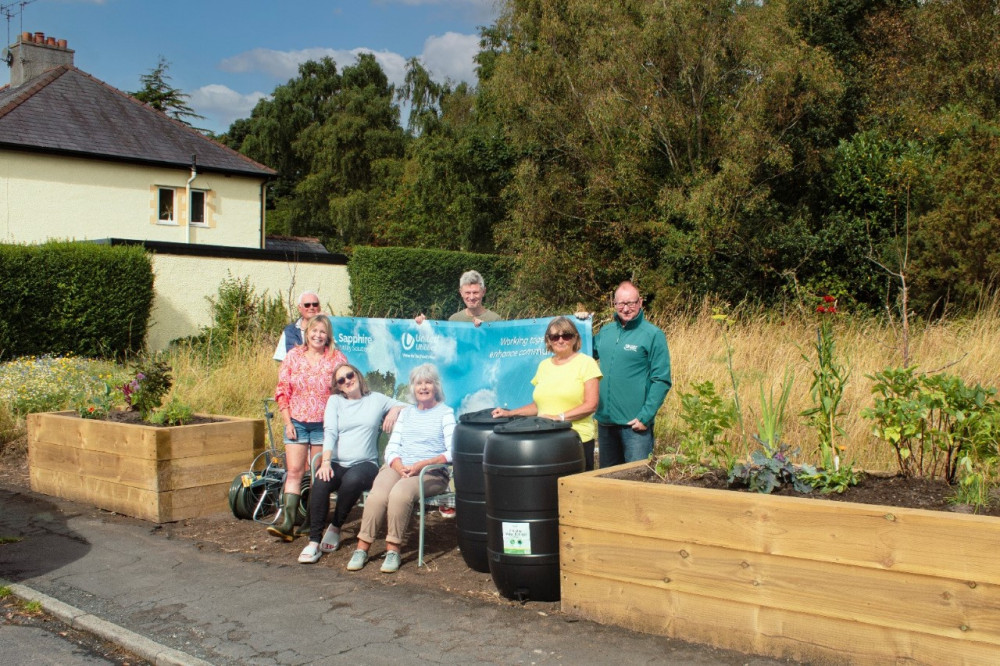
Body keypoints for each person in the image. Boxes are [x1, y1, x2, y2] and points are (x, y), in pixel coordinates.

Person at [346, 363, 455, 573]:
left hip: (430, 472)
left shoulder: (445, 413)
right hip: (400, 466)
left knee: (399, 494)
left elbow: (452, 452)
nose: (423, 387)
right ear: (413, 388)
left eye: (428, 383)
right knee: (378, 494)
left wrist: (422, 465)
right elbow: (392, 447)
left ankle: (393, 550)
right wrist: (397, 464)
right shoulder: (406, 413)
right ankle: (362, 547)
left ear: (436, 387)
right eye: (418, 383)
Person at [297, 363, 406, 563]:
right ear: (338, 386)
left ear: (357, 374)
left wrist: (395, 409)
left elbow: (409, 407)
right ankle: (313, 542)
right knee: (320, 482)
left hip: (366, 463)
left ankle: (336, 526)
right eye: (341, 380)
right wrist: (326, 462)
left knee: (352, 480)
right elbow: (329, 432)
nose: (347, 381)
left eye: (349, 375)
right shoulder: (335, 401)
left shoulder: (376, 399)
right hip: (337, 462)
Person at [269, 315, 348, 541]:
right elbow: (283, 389)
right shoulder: (293, 356)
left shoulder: (336, 358)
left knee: (318, 476)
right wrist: (287, 422)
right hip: (297, 423)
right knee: (294, 471)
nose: (318, 335)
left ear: (328, 335)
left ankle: (311, 521)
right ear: (307, 332)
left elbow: (344, 390)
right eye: (314, 331)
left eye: (323, 332)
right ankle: (287, 522)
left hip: (324, 426)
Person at [491, 316, 602, 470]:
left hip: (575, 441)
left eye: (566, 335)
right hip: (544, 441)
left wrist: (558, 418)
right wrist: (509, 413)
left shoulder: (586, 363)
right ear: (548, 341)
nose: (561, 340)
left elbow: (591, 405)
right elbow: (539, 406)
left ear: (575, 338)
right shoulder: (544, 366)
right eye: (555, 336)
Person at [593, 281, 672, 467]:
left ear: (640, 302)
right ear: (614, 304)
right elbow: (581, 352)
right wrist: (580, 324)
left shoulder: (653, 334)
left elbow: (661, 380)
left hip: (635, 427)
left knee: (636, 483)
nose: (626, 308)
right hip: (606, 424)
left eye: (631, 303)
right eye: (621, 303)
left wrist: (646, 416)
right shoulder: (605, 332)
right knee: (607, 482)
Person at [415, 270, 501, 328]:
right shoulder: (454, 320)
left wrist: (486, 329)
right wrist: (424, 327)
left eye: (475, 292)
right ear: (461, 293)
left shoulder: (495, 320)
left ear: (483, 292)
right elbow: (443, 344)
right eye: (467, 293)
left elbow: (500, 349)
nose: (471, 297)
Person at [273, 291, 323, 362]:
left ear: (319, 307)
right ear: (300, 308)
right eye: (307, 305)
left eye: (315, 304)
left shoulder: (329, 329)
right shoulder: (289, 331)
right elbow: (282, 361)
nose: (311, 307)